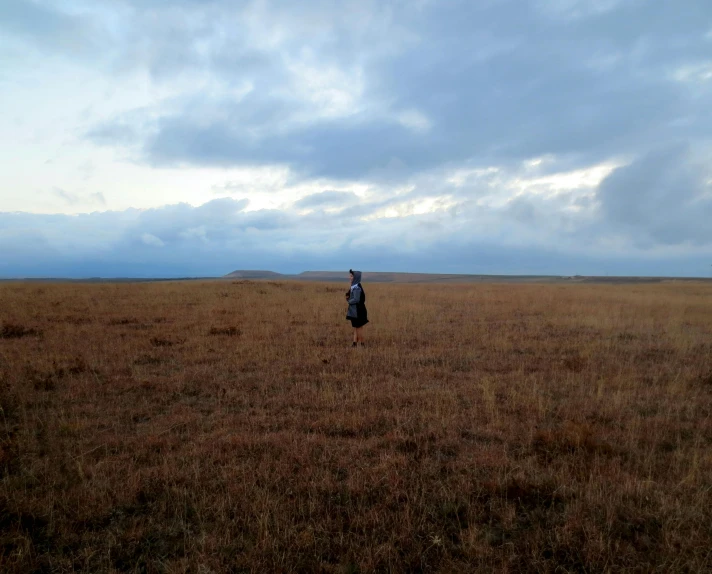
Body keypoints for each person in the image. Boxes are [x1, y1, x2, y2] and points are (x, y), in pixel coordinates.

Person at [346, 269, 368, 347]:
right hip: (356, 310)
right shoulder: (355, 286)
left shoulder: (356, 288)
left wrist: (348, 301)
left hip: (357, 310)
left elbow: (356, 299)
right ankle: (354, 343)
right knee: (357, 327)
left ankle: (362, 344)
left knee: (358, 327)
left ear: (355, 278)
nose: (350, 277)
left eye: (351, 276)